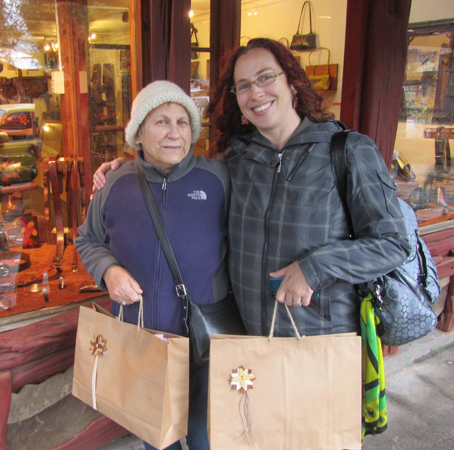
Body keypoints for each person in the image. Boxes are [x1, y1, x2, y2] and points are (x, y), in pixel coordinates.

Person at [92, 38, 410, 340]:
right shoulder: (234, 161)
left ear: (293, 82)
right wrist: (133, 165)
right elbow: (177, 175)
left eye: (266, 77)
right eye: (243, 85)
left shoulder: (348, 151)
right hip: (245, 341)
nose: (256, 92)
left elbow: (393, 244)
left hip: (320, 340)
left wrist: (315, 268)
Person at [75, 80, 229, 450]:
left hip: (204, 342)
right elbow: (87, 239)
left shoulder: (219, 179)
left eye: (183, 122)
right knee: (157, 439)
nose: (175, 133)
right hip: (143, 340)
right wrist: (108, 271)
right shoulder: (116, 183)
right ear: (138, 132)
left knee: (207, 437)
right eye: (162, 122)